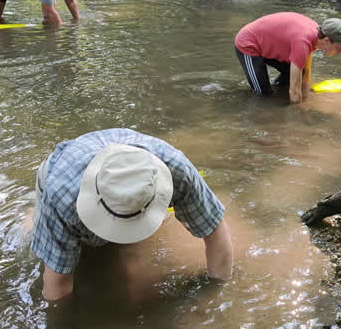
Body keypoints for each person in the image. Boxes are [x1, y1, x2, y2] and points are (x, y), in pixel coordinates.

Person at [30, 129, 234, 301]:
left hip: (125, 166)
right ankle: (29, 219)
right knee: (49, 252)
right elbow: (57, 284)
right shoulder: (60, 198)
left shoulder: (178, 171)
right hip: (58, 171)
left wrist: (216, 295)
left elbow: (215, 230)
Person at [234, 13, 341, 103]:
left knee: (298, 72)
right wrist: (298, 114)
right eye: (340, 48)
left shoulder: (314, 37)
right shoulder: (302, 42)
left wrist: (306, 96)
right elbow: (294, 91)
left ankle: (276, 87)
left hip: (268, 44)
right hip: (249, 45)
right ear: (327, 40)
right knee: (264, 95)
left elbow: (305, 74)